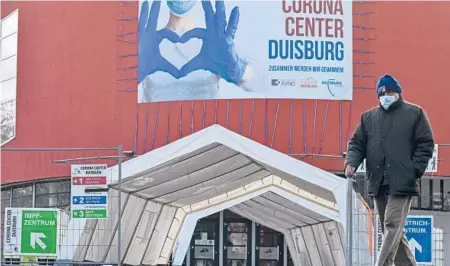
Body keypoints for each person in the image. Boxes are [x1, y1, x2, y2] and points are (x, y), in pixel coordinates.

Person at [344, 74, 435, 266]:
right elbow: (356, 144)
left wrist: (414, 170)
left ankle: (382, 263)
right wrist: (351, 163)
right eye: (382, 93)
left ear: (398, 92)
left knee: (391, 225)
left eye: (390, 92)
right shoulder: (368, 118)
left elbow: (425, 143)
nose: (386, 95)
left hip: (403, 181)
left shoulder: (415, 113)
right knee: (393, 231)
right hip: (378, 181)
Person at [137, 0, 265, 102]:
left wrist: (237, 69)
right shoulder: (146, 45)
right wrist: (129, 74)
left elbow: (261, 84)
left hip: (208, 132)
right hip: (156, 131)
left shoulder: (219, 40)